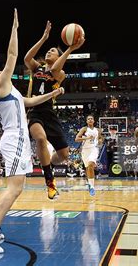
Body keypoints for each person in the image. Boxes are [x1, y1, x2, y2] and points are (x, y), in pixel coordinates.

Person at [0, 9, 65, 254]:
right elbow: (13, 54)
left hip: (18, 139)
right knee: (14, 188)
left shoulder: (11, 91)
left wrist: (53, 94)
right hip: (14, 138)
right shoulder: (2, 86)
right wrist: (14, 29)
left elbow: (31, 102)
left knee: (17, 186)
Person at [24, 20, 84, 199]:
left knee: (64, 155)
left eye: (53, 51)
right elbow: (27, 58)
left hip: (49, 113)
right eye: (48, 50)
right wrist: (43, 38)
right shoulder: (37, 68)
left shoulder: (60, 73)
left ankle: (46, 164)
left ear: (59, 56)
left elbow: (56, 67)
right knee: (41, 139)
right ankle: (49, 181)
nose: (49, 51)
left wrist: (70, 49)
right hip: (35, 111)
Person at [75, 115, 103, 196]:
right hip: (85, 150)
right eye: (88, 119)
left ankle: (92, 186)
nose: (90, 120)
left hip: (94, 149)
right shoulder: (84, 129)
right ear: (87, 121)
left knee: (91, 165)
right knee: (87, 168)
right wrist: (86, 138)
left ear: (94, 121)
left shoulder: (98, 130)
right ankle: (89, 183)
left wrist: (100, 141)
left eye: (91, 119)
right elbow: (76, 139)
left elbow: (100, 138)